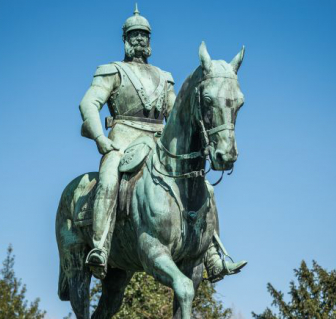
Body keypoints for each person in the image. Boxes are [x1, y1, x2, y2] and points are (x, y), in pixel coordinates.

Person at [79, 5, 246, 281]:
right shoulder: (112, 70)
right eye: (134, 35)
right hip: (122, 139)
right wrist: (99, 138)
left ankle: (212, 254)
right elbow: (89, 103)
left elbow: (176, 113)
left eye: (144, 35)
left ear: (150, 41)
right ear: (125, 39)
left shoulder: (163, 76)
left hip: (157, 141)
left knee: (203, 187)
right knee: (109, 176)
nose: (139, 41)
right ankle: (99, 246)